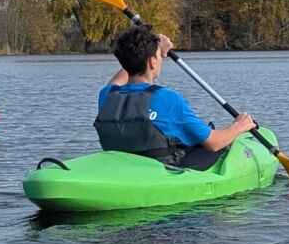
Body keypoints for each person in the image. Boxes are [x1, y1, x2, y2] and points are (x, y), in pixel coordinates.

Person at [96, 24, 255, 167]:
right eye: (158, 56)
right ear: (152, 62)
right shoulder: (166, 98)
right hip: (162, 167)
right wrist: (239, 126)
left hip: (125, 163)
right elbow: (214, 143)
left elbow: (125, 70)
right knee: (214, 145)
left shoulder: (107, 95)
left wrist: (149, 53)